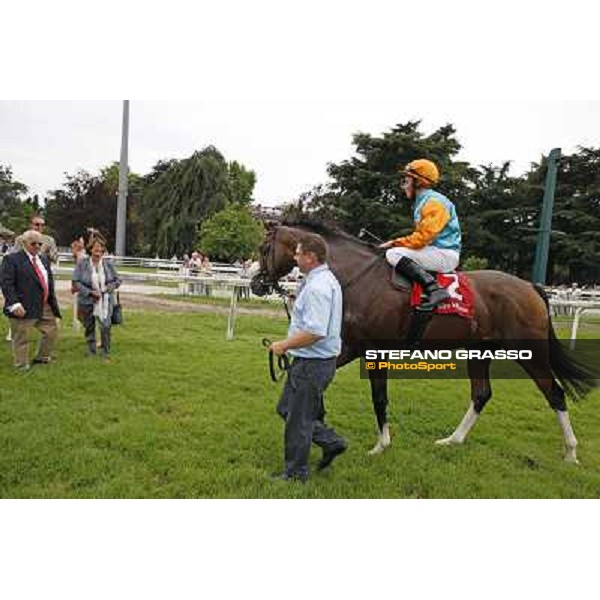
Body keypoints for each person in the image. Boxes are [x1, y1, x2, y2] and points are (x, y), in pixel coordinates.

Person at [267, 233, 347, 482]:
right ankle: (331, 442)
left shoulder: (317, 287)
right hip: (310, 362)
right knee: (287, 409)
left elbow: (315, 331)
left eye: (299, 253)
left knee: (298, 420)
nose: (295, 256)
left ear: (310, 258)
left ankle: (295, 473)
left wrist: (283, 345)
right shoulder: (322, 280)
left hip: (312, 363)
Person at [379, 159, 462, 311]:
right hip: (435, 251)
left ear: (418, 182)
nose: (404, 184)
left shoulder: (434, 203)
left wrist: (394, 243)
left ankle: (435, 289)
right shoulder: (424, 201)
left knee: (393, 254)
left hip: (444, 255)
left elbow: (422, 238)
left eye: (406, 179)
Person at [0, 229, 62, 371]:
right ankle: (21, 365)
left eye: (40, 244)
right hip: (22, 305)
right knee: (21, 337)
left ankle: (42, 358)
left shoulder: (44, 259)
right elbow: (6, 283)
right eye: (33, 243)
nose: (37, 246)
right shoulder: (12, 259)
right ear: (24, 243)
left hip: (44, 304)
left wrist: (51, 301)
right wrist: (14, 304)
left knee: (51, 330)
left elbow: (47, 281)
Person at [72, 238, 121, 361]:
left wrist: (112, 286)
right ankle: (91, 350)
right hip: (87, 300)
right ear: (90, 249)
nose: (98, 250)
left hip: (105, 300)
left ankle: (106, 352)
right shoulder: (82, 263)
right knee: (89, 327)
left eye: (101, 247)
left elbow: (118, 280)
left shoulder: (108, 264)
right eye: (96, 247)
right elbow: (76, 282)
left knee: (105, 326)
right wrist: (89, 293)